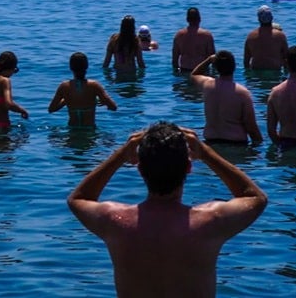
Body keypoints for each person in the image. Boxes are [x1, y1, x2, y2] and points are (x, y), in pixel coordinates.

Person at [66, 122, 268, 298]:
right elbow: (254, 198)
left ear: (140, 169)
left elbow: (79, 198)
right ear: (189, 167)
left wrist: (121, 154)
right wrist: (206, 153)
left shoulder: (115, 221)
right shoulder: (211, 221)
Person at [188, 51, 261, 146]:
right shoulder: (242, 93)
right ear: (234, 67)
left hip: (210, 143)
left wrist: (209, 60)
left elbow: (194, 74)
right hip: (235, 145)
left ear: (216, 67)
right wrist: (259, 145)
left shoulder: (207, 85)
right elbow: (251, 128)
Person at [49, 53, 120, 127]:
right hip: (90, 131)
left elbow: (51, 109)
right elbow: (113, 107)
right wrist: (102, 101)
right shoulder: (94, 85)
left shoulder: (64, 86)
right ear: (87, 66)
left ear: (70, 67)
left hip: (72, 130)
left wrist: (66, 100)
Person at [0, 51, 29, 131]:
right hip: (1, 127)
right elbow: (9, 104)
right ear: (11, 68)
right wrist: (23, 111)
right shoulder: (5, 81)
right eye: (15, 70)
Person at [171, 8, 215, 76]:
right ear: (200, 19)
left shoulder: (179, 35)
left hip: (184, 71)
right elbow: (213, 58)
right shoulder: (207, 35)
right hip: (202, 72)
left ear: (187, 19)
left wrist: (176, 73)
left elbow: (174, 59)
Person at [242, 7, 287, 72]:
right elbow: (286, 58)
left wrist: (249, 78)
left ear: (258, 19)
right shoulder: (280, 36)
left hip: (256, 74)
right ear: (271, 18)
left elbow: (246, 61)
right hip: (275, 73)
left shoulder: (250, 36)